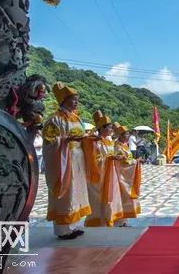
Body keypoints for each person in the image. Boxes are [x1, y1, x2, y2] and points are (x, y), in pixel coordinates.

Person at [42, 82, 93, 240]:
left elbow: (82, 137)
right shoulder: (54, 119)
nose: (76, 102)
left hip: (78, 160)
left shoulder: (77, 119)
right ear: (63, 100)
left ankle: (74, 224)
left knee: (77, 191)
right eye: (73, 99)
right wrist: (66, 139)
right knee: (67, 192)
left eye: (77, 99)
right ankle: (63, 230)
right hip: (64, 160)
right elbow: (49, 141)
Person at [85, 111, 129, 227]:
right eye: (109, 127)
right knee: (99, 200)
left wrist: (116, 158)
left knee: (113, 198)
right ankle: (101, 222)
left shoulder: (109, 141)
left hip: (111, 174)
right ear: (102, 128)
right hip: (101, 175)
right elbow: (94, 160)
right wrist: (110, 158)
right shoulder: (95, 142)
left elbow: (111, 155)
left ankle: (115, 220)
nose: (111, 129)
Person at [113, 123, 142, 224]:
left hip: (127, 176)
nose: (127, 136)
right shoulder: (117, 146)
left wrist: (135, 161)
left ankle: (124, 220)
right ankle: (119, 221)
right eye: (126, 134)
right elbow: (121, 162)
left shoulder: (125, 145)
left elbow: (128, 159)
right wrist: (135, 162)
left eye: (128, 134)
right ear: (120, 135)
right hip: (121, 176)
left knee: (127, 198)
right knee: (122, 198)